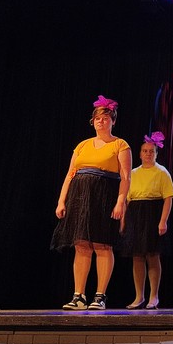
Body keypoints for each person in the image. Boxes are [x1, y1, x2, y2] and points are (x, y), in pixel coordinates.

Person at [51, 95, 132, 311]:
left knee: (102, 244)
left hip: (104, 196)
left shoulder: (120, 144)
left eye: (105, 118)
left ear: (113, 121)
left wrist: (120, 202)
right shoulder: (82, 145)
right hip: (80, 197)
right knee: (81, 244)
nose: (101, 121)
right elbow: (70, 174)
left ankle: (100, 296)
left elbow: (126, 177)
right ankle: (79, 296)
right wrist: (61, 201)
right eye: (97, 118)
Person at [121, 131, 173, 310]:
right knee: (137, 256)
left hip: (153, 213)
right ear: (139, 154)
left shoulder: (162, 172)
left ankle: (154, 296)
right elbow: (127, 200)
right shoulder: (133, 173)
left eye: (151, 151)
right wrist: (123, 221)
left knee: (153, 255)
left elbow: (168, 198)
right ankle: (139, 296)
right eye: (145, 151)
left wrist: (163, 221)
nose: (148, 154)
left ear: (156, 154)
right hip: (135, 215)